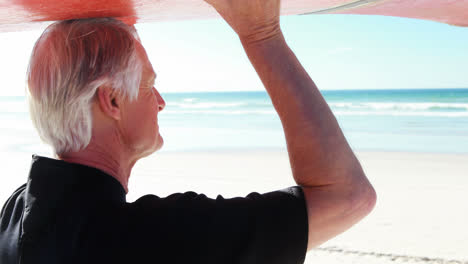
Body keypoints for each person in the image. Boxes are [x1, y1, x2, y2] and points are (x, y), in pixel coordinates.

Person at [0, 0, 376, 263]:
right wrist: (262, 34)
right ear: (112, 101)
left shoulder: (16, 213)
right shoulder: (154, 240)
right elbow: (348, 196)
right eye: (150, 86)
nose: (160, 102)